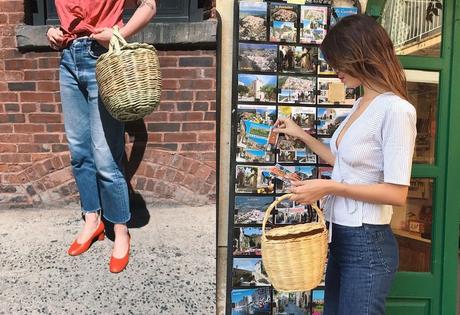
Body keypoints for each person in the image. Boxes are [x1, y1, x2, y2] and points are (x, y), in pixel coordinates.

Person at [273, 15, 417, 314]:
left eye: (338, 62)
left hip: (368, 241)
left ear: (359, 55)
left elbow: (396, 193)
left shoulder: (397, 110)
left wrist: (328, 186)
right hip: (342, 235)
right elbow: (345, 164)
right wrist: (301, 135)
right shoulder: (361, 103)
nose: (334, 70)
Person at [46, 0, 157, 273]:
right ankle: (92, 221)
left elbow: (149, 5)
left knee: (106, 156)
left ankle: (120, 231)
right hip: (68, 60)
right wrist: (53, 34)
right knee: (79, 152)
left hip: (104, 58)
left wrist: (120, 34)